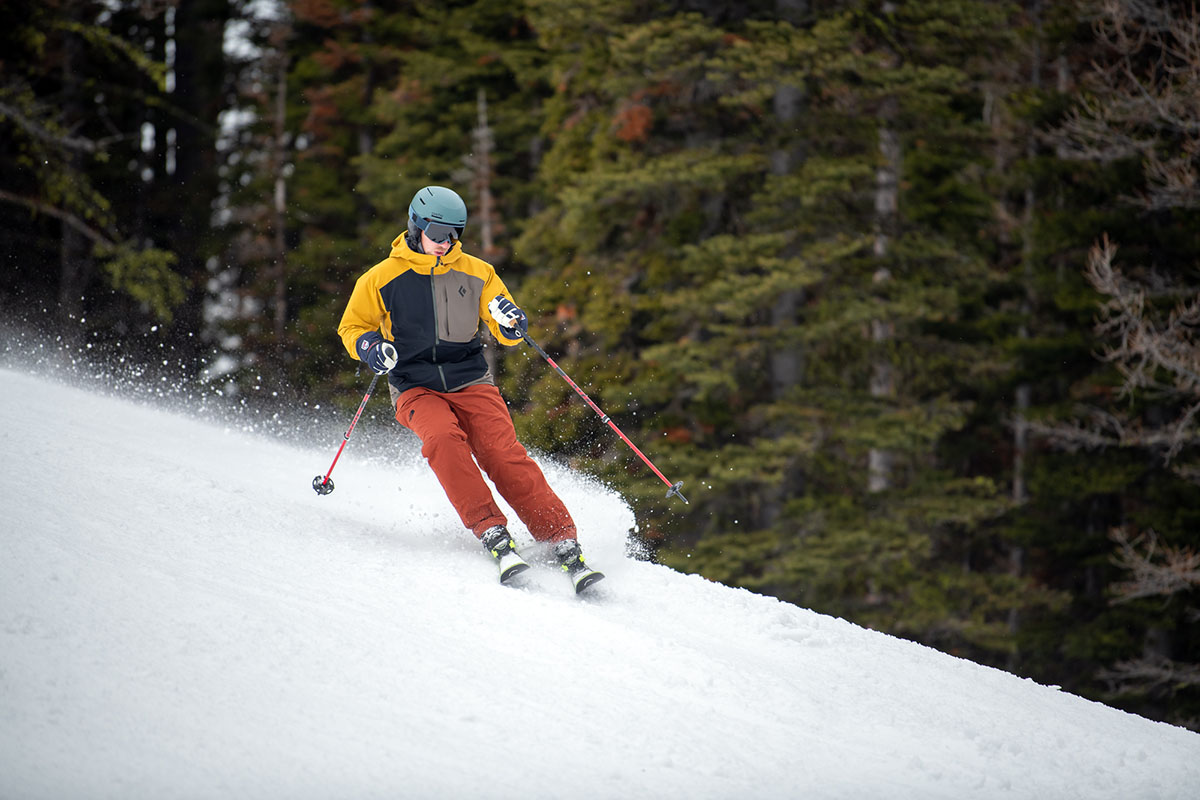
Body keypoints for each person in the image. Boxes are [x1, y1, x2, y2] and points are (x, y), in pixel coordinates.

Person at [337, 185, 603, 593]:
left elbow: (504, 325)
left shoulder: (478, 272)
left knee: (501, 451)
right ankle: (491, 530)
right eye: (437, 233)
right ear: (417, 225)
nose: (445, 243)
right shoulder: (381, 278)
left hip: (470, 378)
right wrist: (370, 347)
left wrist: (512, 323)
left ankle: (560, 537)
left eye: (453, 235)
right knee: (444, 439)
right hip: (413, 383)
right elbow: (351, 327)